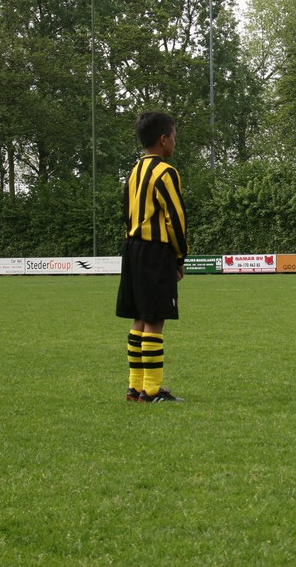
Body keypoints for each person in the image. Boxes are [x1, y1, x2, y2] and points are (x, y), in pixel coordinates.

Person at [116, 110, 188, 402]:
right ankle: (153, 391)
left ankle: (135, 387)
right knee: (155, 319)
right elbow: (176, 218)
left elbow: (126, 212)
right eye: (174, 137)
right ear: (163, 139)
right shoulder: (165, 172)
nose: (175, 142)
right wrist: (179, 257)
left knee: (140, 318)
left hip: (132, 249)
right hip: (155, 251)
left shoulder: (133, 172)